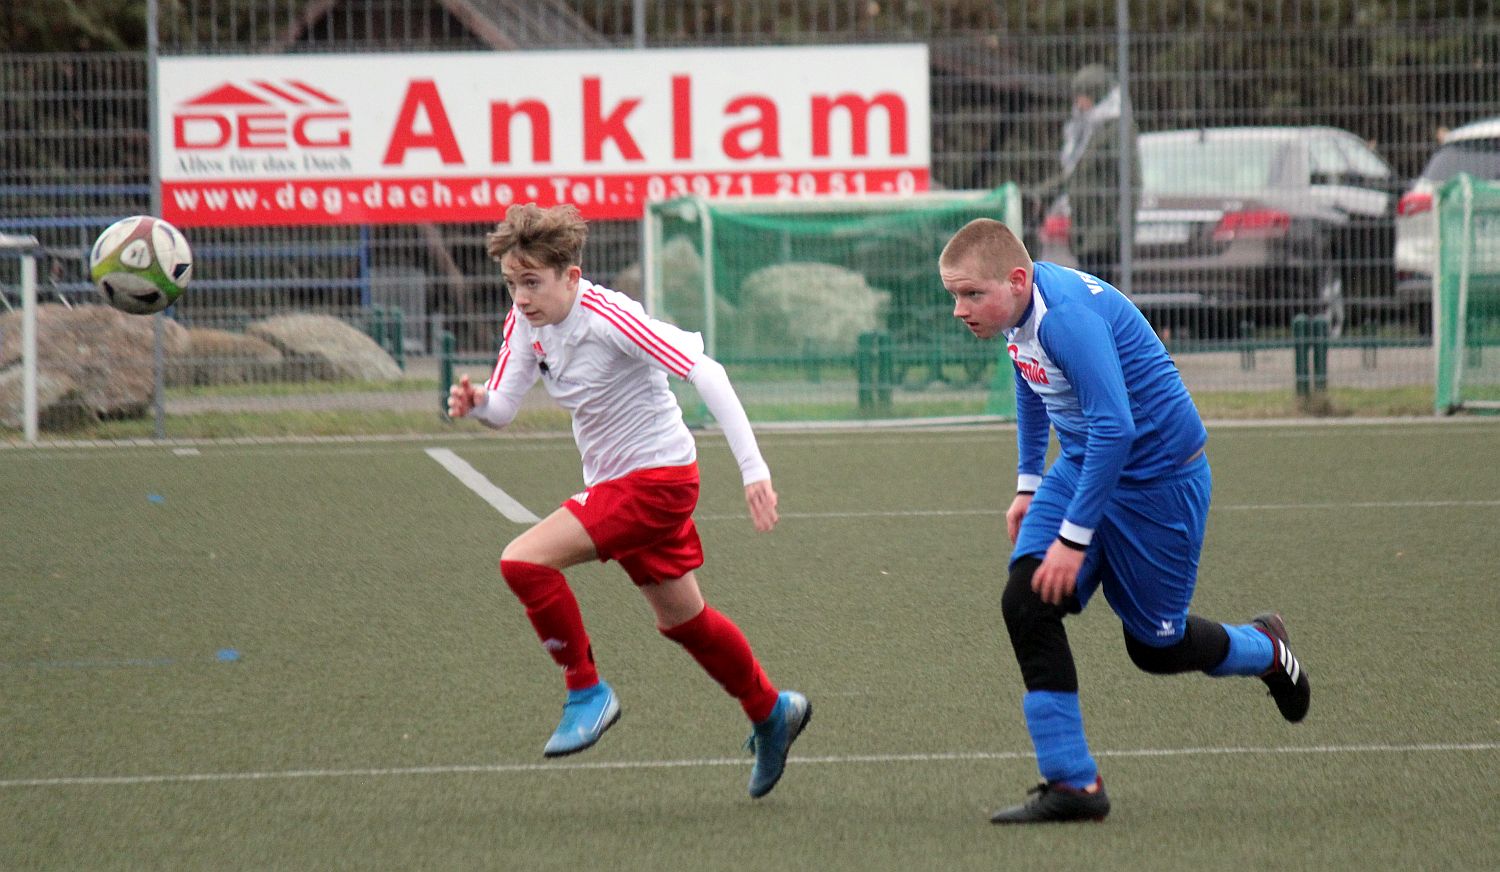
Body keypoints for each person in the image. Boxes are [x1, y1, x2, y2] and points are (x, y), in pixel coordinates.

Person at [937, 218, 1310, 824]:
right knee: (1026, 603)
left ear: (1016, 279)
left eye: (971, 294)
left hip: (1158, 483)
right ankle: (1075, 785)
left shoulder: (1065, 320)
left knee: (1157, 649)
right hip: (1087, 463)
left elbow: (1117, 426)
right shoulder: (1020, 312)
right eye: (954, 295)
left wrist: (1072, 539)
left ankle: (1266, 646)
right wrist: (1029, 485)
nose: (960, 309)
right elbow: (1030, 381)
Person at [447, 203, 811, 799]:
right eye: (512, 283)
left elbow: (708, 372)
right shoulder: (526, 322)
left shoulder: (610, 316)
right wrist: (476, 404)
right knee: (684, 622)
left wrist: (753, 469)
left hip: (658, 481)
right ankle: (772, 712)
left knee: (523, 562)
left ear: (571, 275)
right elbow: (505, 408)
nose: (521, 296)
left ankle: (586, 690)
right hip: (620, 486)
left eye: (533, 281)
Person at [1030, 63, 1140, 289]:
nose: (1079, 104)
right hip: (1083, 222)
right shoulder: (1084, 129)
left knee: (1098, 287)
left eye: (1084, 97)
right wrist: (1038, 194)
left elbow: (1129, 178)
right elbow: (1072, 174)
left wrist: (1122, 222)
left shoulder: (1116, 129)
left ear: (1097, 95)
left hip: (1103, 224)